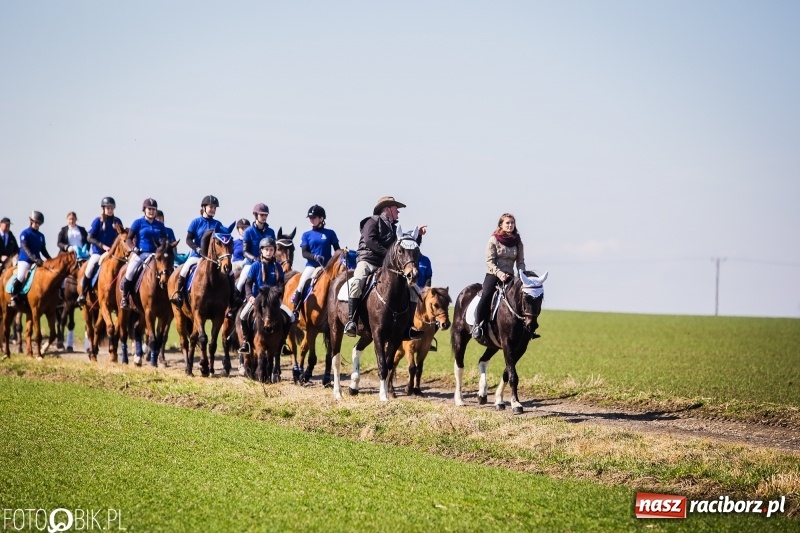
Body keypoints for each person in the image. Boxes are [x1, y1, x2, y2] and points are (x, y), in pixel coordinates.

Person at [345, 196, 426, 339]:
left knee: (414, 290)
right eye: (396, 209)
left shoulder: (395, 229)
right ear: (387, 209)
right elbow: (370, 241)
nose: (398, 212)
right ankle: (351, 321)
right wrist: (388, 255)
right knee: (357, 282)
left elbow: (405, 244)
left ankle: (408, 326)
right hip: (368, 261)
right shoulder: (371, 221)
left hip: (385, 266)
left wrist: (418, 236)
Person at [471, 213, 532, 342]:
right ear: (501, 225)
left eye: (512, 223)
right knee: (486, 295)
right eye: (507, 223)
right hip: (494, 274)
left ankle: (528, 328)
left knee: (525, 297)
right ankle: (478, 325)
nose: (510, 225)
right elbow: (489, 261)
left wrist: (521, 274)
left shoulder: (518, 242)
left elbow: (520, 261)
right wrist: (499, 274)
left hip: (511, 276)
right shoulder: (493, 240)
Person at [170, 195, 232, 307]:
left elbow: (224, 239)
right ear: (204, 207)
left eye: (214, 208)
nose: (213, 209)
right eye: (211, 207)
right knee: (184, 270)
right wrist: (197, 249)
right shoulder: (196, 222)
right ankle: (179, 295)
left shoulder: (218, 224)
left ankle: (233, 297)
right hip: (196, 255)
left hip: (214, 258)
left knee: (230, 272)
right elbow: (188, 239)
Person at [290, 205, 340, 317]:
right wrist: (315, 257)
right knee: (301, 284)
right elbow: (304, 253)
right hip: (312, 266)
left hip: (327, 267)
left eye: (314, 217)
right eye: (310, 218)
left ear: (321, 218)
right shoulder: (306, 235)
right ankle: (296, 310)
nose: (311, 220)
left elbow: (337, 250)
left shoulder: (330, 233)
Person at [238, 236, 285, 354]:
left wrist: (279, 296)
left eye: (271, 250)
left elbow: (280, 284)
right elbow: (248, 284)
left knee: (291, 317)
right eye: (266, 250)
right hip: (258, 299)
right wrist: (250, 297)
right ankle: (246, 342)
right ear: (261, 251)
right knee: (243, 316)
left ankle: (283, 343)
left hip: (273, 301)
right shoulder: (255, 266)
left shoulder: (278, 266)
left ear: (274, 251)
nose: (269, 252)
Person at [120, 199, 168, 310]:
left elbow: (165, 239)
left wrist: (162, 248)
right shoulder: (138, 223)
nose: (151, 211)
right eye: (149, 209)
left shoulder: (160, 225)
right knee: (130, 271)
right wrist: (134, 249)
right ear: (144, 210)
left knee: (168, 270)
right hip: (141, 253)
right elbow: (128, 239)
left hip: (156, 255)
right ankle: (124, 298)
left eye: (153, 209)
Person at [77, 197, 124, 305]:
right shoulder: (98, 221)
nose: (110, 210)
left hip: (113, 254)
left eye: (111, 208)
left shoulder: (117, 221)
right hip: (98, 252)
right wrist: (102, 246)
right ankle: (83, 294)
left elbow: (121, 237)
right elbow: (89, 237)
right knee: (90, 268)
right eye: (108, 208)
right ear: (103, 209)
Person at [8, 211, 51, 308]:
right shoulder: (25, 233)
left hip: (37, 260)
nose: (37, 225)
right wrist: (35, 259)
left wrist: (50, 260)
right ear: (31, 221)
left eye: (39, 223)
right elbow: (25, 248)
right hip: (25, 260)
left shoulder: (41, 236)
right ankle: (13, 296)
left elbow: (43, 250)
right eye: (36, 222)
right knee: (21, 276)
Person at [235, 203, 275, 298]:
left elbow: (274, 249)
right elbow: (245, 251)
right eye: (262, 215)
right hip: (251, 264)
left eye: (265, 215)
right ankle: (234, 306)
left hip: (268, 264)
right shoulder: (248, 231)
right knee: (240, 283)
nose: (264, 217)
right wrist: (255, 259)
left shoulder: (271, 232)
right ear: (255, 215)